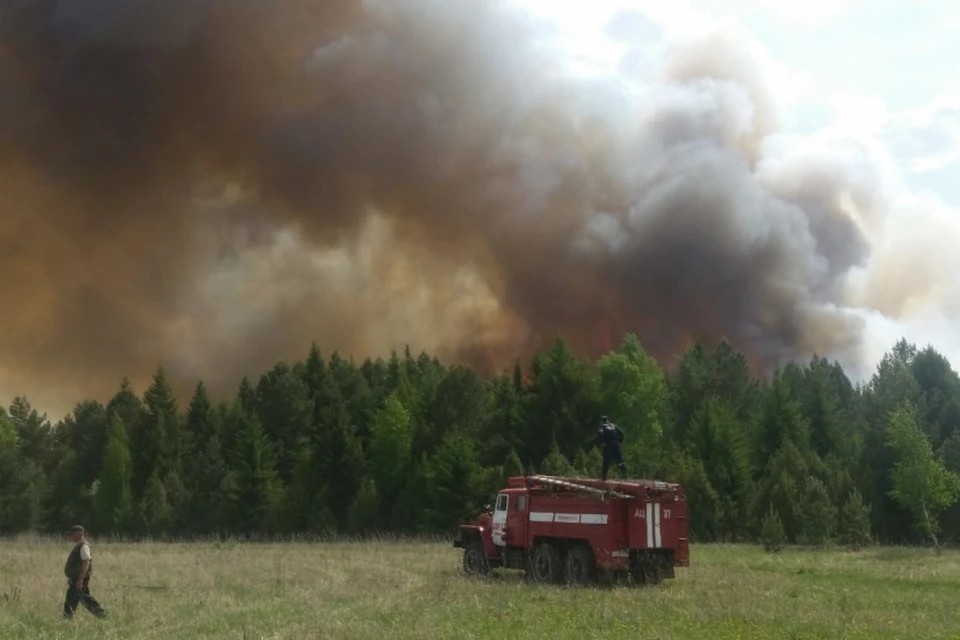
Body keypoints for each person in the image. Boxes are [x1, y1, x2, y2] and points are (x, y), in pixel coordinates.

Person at [63, 525, 107, 620]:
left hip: (79, 579)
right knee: (81, 598)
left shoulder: (83, 546)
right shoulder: (80, 546)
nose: (71, 537)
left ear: (80, 533)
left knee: (79, 599)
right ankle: (101, 614)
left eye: (73, 534)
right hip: (77, 579)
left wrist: (80, 579)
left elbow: (86, 562)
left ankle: (101, 614)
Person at [596, 415, 627, 481]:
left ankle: (604, 477)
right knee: (619, 460)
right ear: (607, 420)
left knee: (606, 461)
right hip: (616, 445)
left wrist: (602, 442)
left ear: (601, 421)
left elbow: (600, 433)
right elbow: (622, 433)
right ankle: (624, 473)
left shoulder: (602, 427)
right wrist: (619, 441)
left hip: (608, 445)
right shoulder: (614, 425)